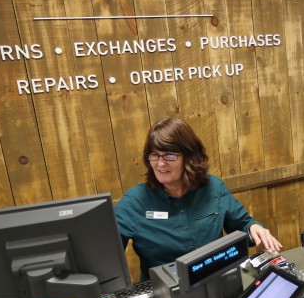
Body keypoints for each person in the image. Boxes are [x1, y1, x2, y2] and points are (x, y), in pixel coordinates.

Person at [115, 117, 282, 281]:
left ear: (189, 157)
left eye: (169, 156)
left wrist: (254, 228)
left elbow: (242, 223)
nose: (160, 163)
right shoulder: (133, 202)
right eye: (154, 155)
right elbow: (108, 261)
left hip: (215, 282)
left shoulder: (213, 187)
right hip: (164, 295)